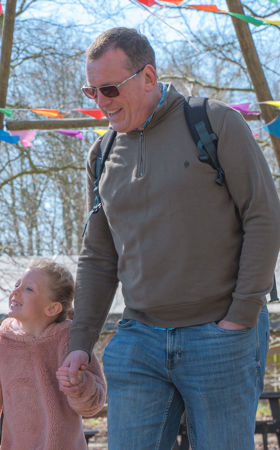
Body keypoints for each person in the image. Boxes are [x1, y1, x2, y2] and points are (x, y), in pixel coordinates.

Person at [60, 27, 280, 449]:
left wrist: (241, 316)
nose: (101, 103)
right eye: (92, 92)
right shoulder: (101, 154)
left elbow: (264, 217)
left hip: (221, 336)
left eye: (109, 89)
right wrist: (81, 342)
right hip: (139, 340)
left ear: (147, 77)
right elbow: (98, 256)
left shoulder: (214, 122)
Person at [0, 259, 105, 449]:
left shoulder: (72, 341)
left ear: (52, 308)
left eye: (29, 289)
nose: (16, 291)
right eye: (17, 284)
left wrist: (80, 385)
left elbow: (92, 406)